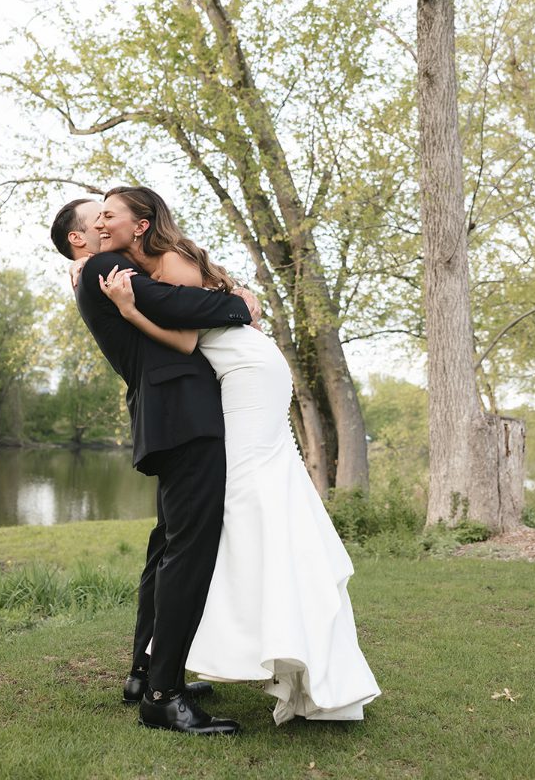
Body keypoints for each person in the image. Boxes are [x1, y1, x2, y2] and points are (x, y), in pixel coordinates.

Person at [92, 186, 381, 725]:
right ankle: (214, 650)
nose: (100, 224)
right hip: (245, 370)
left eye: (109, 215)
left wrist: (129, 309)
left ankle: (247, 641)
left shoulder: (168, 263)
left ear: (141, 222)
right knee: (249, 501)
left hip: (246, 374)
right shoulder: (147, 261)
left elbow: (184, 342)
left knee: (245, 500)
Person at [51, 197, 255, 735]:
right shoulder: (100, 268)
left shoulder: (104, 270)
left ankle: (146, 673)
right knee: (189, 549)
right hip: (184, 415)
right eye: (93, 219)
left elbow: (163, 304)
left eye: (107, 215)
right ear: (79, 240)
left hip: (167, 416)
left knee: (167, 545)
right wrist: (238, 305)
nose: (102, 222)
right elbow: (181, 304)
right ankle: (165, 694)